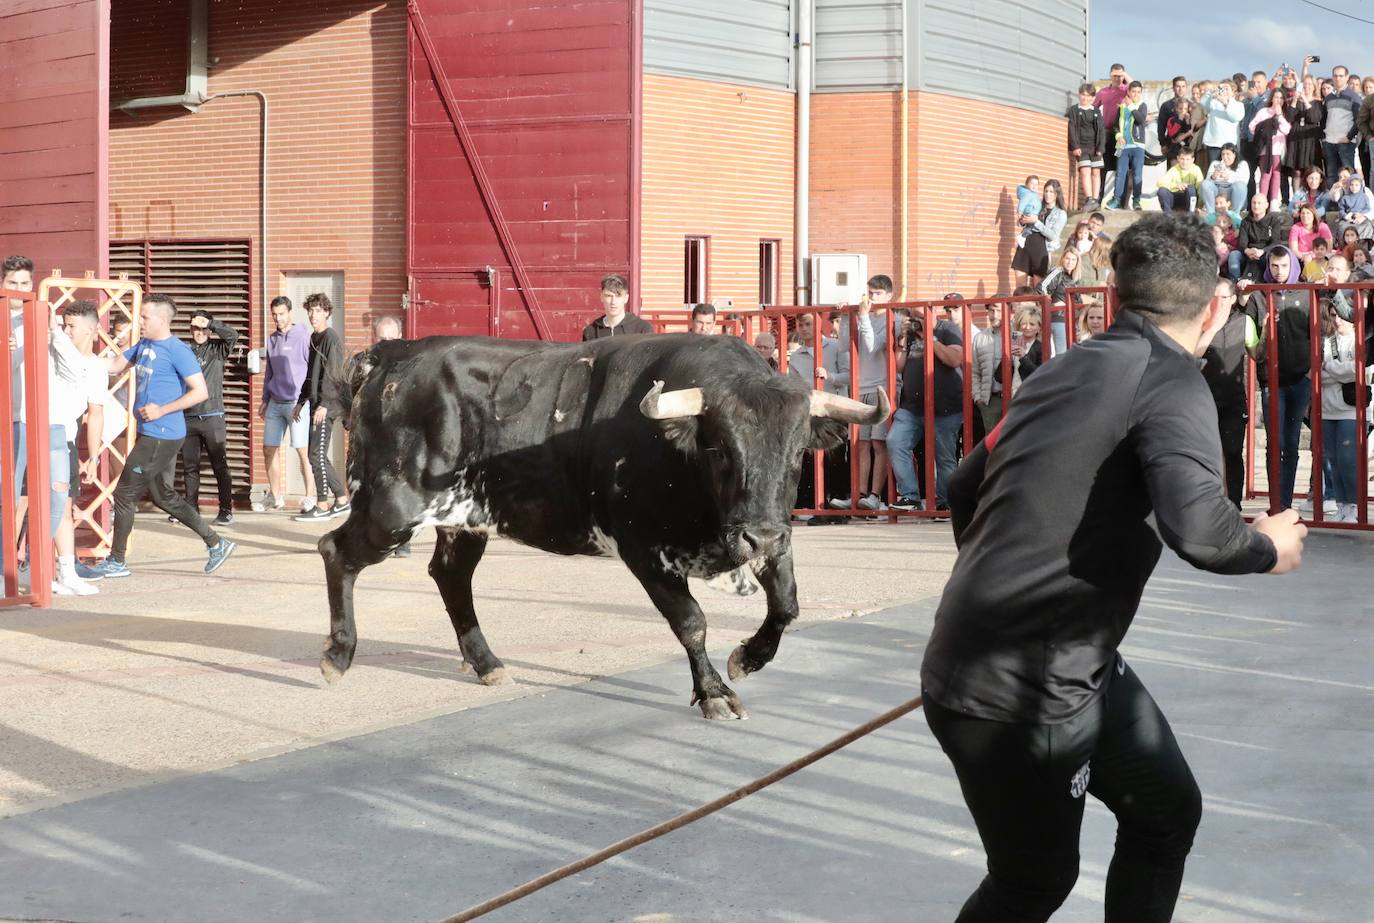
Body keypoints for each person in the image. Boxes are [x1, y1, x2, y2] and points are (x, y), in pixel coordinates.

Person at [922, 213, 1306, 923]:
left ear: (1118, 298)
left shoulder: (1068, 365)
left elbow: (962, 485)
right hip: (1022, 693)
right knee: (1033, 881)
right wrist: (1267, 547)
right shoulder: (1173, 381)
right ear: (1215, 305)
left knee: (1166, 811)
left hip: (1062, 664)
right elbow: (1201, 529)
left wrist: (1004, 594)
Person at [84, 294, 237, 578]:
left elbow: (200, 391)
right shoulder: (144, 345)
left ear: (162, 320)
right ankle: (217, 543)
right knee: (163, 497)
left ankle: (117, 561)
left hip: (162, 434)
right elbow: (115, 366)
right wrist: (76, 355)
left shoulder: (177, 350)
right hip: (151, 434)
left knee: (124, 493)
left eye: (144, 317)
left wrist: (162, 409)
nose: (138, 321)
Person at [1242, 245, 1311, 511]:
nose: (1279, 271)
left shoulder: (1306, 294)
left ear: (1292, 265)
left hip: (1299, 379)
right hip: (1272, 381)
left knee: (1291, 444)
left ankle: (1285, 501)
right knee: (1275, 443)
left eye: (1283, 265)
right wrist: (1264, 329)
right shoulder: (1259, 296)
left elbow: (1316, 334)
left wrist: (1308, 371)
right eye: (1274, 266)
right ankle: (1276, 503)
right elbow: (1252, 345)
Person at [50, 300, 109, 595]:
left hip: (66, 440)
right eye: (64, 324)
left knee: (64, 507)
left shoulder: (96, 367)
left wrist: (94, 456)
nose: (66, 330)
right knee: (23, 503)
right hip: (37, 431)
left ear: (92, 328)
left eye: (72, 326)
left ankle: (66, 572)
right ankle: (22, 567)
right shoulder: (53, 349)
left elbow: (95, 413)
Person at [887, 308, 963, 517]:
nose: (918, 321)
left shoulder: (948, 330)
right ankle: (910, 496)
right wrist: (902, 338)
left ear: (934, 313)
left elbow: (954, 359)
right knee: (895, 442)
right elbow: (898, 366)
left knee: (944, 456)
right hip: (912, 406)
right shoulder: (910, 334)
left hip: (945, 407)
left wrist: (929, 338)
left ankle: (944, 503)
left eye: (921, 316)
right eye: (915, 317)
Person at [832, 276, 898, 511]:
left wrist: (862, 316)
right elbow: (843, 347)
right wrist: (844, 317)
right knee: (860, 444)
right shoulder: (864, 316)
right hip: (860, 388)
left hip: (883, 387)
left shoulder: (893, 319)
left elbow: (872, 345)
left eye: (878, 293)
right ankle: (858, 494)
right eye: (870, 292)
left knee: (879, 444)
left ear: (889, 296)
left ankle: (875, 496)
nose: (872, 298)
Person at [170, 310, 238, 527]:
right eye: (195, 328)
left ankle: (226, 509)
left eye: (202, 328)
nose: (198, 332)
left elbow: (233, 335)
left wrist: (211, 322)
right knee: (190, 466)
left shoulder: (217, 349)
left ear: (209, 330)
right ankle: (191, 508)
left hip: (212, 416)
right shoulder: (184, 351)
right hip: (188, 416)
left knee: (220, 465)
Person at [254, 296, 315, 514]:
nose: (278, 318)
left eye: (281, 313)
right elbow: (269, 372)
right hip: (275, 403)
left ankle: (310, 497)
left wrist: (307, 400)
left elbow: (311, 372)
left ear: (290, 312)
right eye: (274, 315)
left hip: (297, 404)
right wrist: (264, 399)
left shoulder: (304, 337)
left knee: (302, 451)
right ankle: (276, 497)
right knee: (269, 449)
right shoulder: (272, 340)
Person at [293, 293, 351, 521]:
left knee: (316, 454)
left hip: (329, 405)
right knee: (314, 454)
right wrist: (301, 401)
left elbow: (334, 374)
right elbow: (311, 375)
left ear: (327, 312)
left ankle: (323, 504)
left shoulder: (331, 339)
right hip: (316, 404)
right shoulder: (313, 338)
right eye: (310, 310)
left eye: (317, 310)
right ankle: (342, 500)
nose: (312, 314)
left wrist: (325, 404)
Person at [1201, 278, 1257, 508]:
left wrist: (1268, 328)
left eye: (1224, 297)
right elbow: (1191, 354)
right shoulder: (1200, 321)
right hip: (1205, 398)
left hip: (1233, 399)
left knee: (1233, 451)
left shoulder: (1244, 321)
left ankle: (1234, 502)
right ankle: (1208, 502)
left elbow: (1258, 354)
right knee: (1207, 453)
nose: (1219, 302)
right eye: (1214, 296)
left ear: (1233, 299)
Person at [1319, 295, 1361, 523]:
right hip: (1328, 408)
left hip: (1351, 410)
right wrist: (1339, 371)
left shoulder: (1359, 340)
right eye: (1334, 315)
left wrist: (1330, 367)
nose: (1337, 320)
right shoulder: (1326, 342)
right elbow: (1319, 375)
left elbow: (1358, 371)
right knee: (1333, 459)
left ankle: (1354, 505)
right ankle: (1342, 505)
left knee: (1348, 459)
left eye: (1342, 316)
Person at [1013, 179, 1066, 286]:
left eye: (1051, 192)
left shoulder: (1061, 213)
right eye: (1046, 191)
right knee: (1020, 287)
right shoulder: (1037, 205)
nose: (1047, 194)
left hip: (1042, 250)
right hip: (1025, 246)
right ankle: (1020, 303)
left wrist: (1036, 222)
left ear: (1057, 194)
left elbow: (1053, 235)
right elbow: (1022, 224)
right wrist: (1022, 220)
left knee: (1038, 289)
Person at [1107, 81, 1150, 212]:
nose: (1135, 94)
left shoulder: (1142, 106)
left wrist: (1131, 106)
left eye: (1138, 92)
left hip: (1137, 146)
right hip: (1123, 147)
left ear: (1141, 93)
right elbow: (1115, 126)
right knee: (1120, 173)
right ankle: (1116, 200)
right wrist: (1118, 136)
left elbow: (1140, 120)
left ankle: (1136, 200)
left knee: (1137, 174)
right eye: (1133, 92)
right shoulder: (1121, 107)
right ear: (1128, 92)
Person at [1250, 87, 1292, 211]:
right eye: (1276, 97)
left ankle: (1274, 201)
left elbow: (1286, 130)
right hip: (1265, 149)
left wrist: (1279, 115)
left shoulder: (1284, 113)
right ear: (1271, 98)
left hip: (1278, 149)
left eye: (1281, 98)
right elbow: (1252, 126)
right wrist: (1264, 129)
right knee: (1266, 174)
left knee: (1277, 174)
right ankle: (1262, 200)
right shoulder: (1264, 112)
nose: (1278, 100)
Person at [971, 300, 1008, 435]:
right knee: (993, 444)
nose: (994, 315)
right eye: (991, 311)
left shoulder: (1016, 334)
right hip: (991, 400)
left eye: (998, 310)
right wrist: (977, 396)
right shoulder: (980, 337)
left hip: (1014, 398)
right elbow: (974, 370)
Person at [1067, 83, 1105, 209]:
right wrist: (1075, 146)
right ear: (1079, 95)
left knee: (1096, 172)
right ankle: (1089, 199)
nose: (1084, 98)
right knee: (1085, 171)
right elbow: (1071, 128)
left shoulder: (1096, 111)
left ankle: (1095, 200)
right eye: (1083, 95)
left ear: (1092, 97)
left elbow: (1101, 130)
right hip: (1081, 147)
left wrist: (1100, 147)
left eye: (1088, 96)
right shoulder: (1074, 110)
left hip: (1095, 147)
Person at [1093, 64, 1133, 183]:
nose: (1117, 78)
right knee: (1103, 166)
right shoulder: (1103, 92)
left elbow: (1136, 86)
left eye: (1120, 76)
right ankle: (1099, 198)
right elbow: (1093, 108)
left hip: (1121, 135)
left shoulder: (1126, 90)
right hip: (1106, 133)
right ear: (1110, 75)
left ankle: (1119, 198)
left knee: (1120, 166)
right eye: (1115, 75)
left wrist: (1125, 75)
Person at [582, 273, 652, 339]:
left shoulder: (642, 329)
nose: (613, 302)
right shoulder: (591, 332)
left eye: (618, 296)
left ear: (626, 298)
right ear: (601, 297)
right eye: (608, 296)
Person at [1232, 193, 1283, 282]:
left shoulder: (1274, 220)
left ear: (1266, 205)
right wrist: (1247, 251)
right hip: (1248, 252)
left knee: (1267, 257)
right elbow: (1241, 243)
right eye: (1254, 203)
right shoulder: (1246, 221)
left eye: (1259, 203)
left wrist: (1262, 251)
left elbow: (1275, 242)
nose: (1256, 206)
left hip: (1266, 252)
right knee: (1233, 255)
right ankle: (1235, 282)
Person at [1323, 64, 1363, 180]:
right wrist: (1324, 137)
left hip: (1345, 142)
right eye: (1335, 76)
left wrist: (1349, 137)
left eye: (1341, 76)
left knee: (1348, 175)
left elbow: (1359, 120)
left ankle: (1348, 198)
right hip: (1330, 142)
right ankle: (1333, 198)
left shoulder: (1354, 97)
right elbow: (1324, 120)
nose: (1338, 78)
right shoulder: (1329, 98)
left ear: (1347, 77)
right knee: (1331, 175)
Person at [1201, 79, 1244, 169]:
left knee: (1231, 171)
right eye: (1222, 88)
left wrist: (1225, 103)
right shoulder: (1213, 103)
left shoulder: (1239, 105)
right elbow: (1204, 103)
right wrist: (1211, 92)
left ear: (1233, 92)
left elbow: (1234, 117)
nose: (1224, 91)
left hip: (1230, 145)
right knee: (1214, 171)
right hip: (1214, 144)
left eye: (1226, 88)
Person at [1200, 144, 1250, 215]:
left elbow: (1244, 182)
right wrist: (1213, 177)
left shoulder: (1242, 164)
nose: (1225, 157)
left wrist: (1228, 177)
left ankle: (1234, 214)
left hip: (1233, 193)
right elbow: (1207, 182)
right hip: (1218, 191)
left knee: (1240, 186)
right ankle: (1211, 213)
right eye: (1223, 154)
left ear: (1234, 154)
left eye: (1228, 154)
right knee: (1205, 184)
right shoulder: (1215, 163)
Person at [1156, 148, 1204, 213]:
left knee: (1191, 189)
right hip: (1175, 197)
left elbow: (1200, 188)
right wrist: (1176, 185)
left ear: (1193, 160)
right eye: (1182, 159)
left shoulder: (1196, 169)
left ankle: (1190, 214)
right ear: (1178, 158)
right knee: (1162, 191)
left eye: (1188, 159)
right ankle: (1168, 216)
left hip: (1189, 198)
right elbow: (1160, 182)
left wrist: (1199, 206)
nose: (1185, 162)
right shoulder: (1174, 169)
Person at [1157, 75, 1190, 164]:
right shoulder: (1166, 106)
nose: (1180, 89)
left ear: (1186, 88)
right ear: (1173, 88)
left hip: (1188, 147)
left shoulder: (1191, 105)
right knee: (1172, 174)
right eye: (1178, 86)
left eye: (1183, 86)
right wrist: (1163, 144)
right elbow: (1161, 126)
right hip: (1172, 146)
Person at [1335, 174, 1374, 241]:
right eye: (1351, 185)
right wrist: (1345, 216)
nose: (1354, 187)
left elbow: (1368, 208)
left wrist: (1361, 214)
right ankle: (1346, 246)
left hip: (1361, 218)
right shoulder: (1345, 198)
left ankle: (1363, 245)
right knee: (1342, 226)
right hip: (1348, 219)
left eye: (1356, 185)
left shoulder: (1364, 197)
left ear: (1361, 185)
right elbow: (1341, 209)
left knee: (1368, 226)